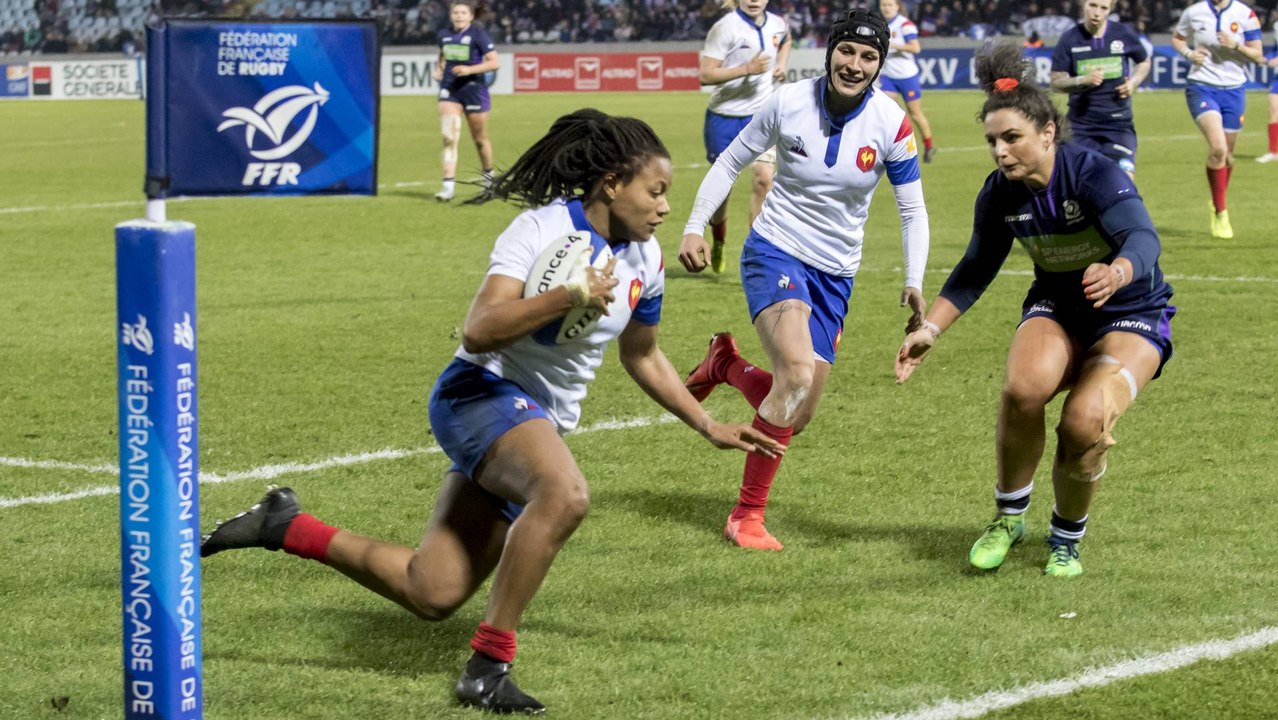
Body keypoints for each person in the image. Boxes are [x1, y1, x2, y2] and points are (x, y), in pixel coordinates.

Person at [200, 109, 785, 714]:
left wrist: (706, 422)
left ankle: (283, 525)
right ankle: (488, 665)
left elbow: (643, 356)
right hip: (478, 394)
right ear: (612, 183)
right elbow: (479, 331)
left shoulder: (647, 261)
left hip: (530, 425)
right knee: (565, 495)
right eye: (656, 191)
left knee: (432, 591)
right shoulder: (538, 230)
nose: (665, 208)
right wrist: (569, 294)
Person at [894, 42, 1177, 579]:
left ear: (1048, 133)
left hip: (1134, 309)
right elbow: (977, 267)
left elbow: (1142, 237)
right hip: (1058, 306)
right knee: (1023, 389)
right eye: (992, 141)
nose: (1000, 152)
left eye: (1012, 138)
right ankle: (1008, 518)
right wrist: (931, 327)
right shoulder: (999, 194)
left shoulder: (1092, 173)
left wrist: (1118, 270)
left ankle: (1066, 538)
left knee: (1084, 422)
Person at [678, 10, 929, 551]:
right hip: (776, 250)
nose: (855, 64)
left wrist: (914, 280)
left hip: (835, 273)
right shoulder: (786, 102)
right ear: (830, 52)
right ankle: (746, 517)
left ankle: (725, 363)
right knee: (793, 374)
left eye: (868, 57)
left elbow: (913, 211)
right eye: (847, 52)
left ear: (880, 64)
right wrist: (695, 225)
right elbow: (729, 162)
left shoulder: (892, 123)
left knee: (798, 411)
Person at [698, 0, 791, 274]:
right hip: (724, 118)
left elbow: (786, 39)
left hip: (760, 116)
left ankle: (758, 255)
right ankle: (719, 239)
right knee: (722, 191)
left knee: (764, 180)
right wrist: (746, 70)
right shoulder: (725, 28)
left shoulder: (777, 23)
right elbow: (705, 74)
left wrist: (782, 64)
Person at [1171, 0, 1265, 238]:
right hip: (1202, 87)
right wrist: (1188, 53)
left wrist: (1236, 46)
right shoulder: (1194, 12)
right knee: (1218, 148)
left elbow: (1258, 56)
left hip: (1234, 90)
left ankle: (1216, 199)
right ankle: (1221, 212)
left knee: (1228, 156)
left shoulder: (1246, 14)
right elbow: (1178, 38)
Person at [1049, 0, 1151, 180]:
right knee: (1080, 183)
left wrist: (1133, 83)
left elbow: (1144, 61)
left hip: (1118, 125)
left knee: (1124, 181)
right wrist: (1082, 80)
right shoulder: (1070, 39)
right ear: (1083, 5)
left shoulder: (1122, 34)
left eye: (1103, 8)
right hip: (1080, 126)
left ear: (1110, 10)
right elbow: (1056, 82)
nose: (1097, 13)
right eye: (1092, 5)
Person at [432, 0, 501, 202]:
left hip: (474, 91)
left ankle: (489, 178)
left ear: (470, 16)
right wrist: (439, 68)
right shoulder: (443, 35)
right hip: (450, 90)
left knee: (479, 139)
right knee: (449, 137)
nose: (459, 15)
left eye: (463, 12)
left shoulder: (478, 35)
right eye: (456, 12)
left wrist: (469, 70)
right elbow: (442, 55)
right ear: (451, 15)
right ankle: (447, 187)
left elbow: (494, 62)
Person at [878, 0, 937, 163]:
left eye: (890, 5)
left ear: (897, 7)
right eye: (883, 5)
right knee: (883, 112)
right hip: (889, 76)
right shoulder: (881, 24)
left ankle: (929, 146)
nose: (886, 8)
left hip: (907, 77)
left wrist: (892, 44)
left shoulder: (905, 24)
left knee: (915, 114)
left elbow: (915, 47)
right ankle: (885, 149)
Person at [1257, 13, 1278, 163]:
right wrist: (1268, 58)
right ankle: (1273, 152)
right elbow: (1276, 49)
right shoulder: (1277, 26)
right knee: (1273, 110)